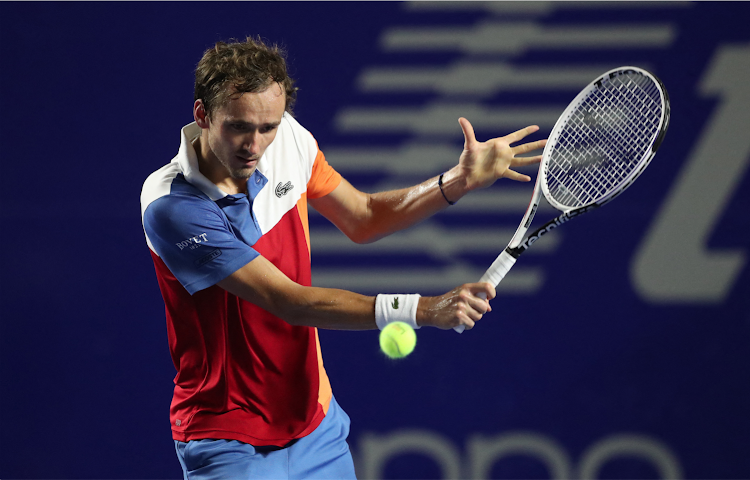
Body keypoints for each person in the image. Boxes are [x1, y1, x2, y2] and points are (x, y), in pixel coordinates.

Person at [140, 36, 546, 480]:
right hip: (228, 442)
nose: (254, 146)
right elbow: (289, 302)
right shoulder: (173, 206)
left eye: (268, 127)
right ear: (203, 114)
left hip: (317, 428)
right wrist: (423, 309)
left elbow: (365, 217)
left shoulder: (290, 141)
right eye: (239, 127)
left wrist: (457, 180)